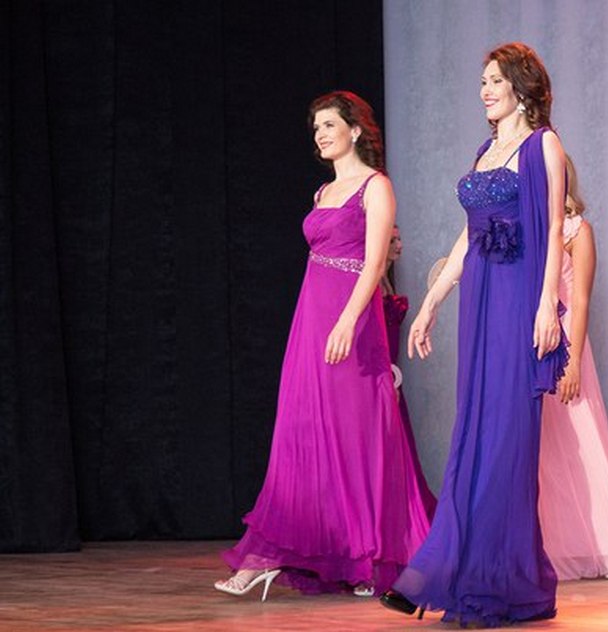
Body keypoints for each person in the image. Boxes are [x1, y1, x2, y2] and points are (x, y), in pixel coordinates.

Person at [380, 42, 568, 626]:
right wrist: (432, 302)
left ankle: (493, 582)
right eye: (482, 81)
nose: (484, 90)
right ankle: (453, 571)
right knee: (474, 438)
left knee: (507, 441)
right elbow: (469, 236)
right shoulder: (486, 151)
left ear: (521, 86)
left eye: (494, 80)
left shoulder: (544, 145)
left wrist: (547, 306)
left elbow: (554, 228)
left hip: (519, 302)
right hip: (482, 303)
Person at [214, 91, 430, 600]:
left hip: (352, 322)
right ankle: (267, 555)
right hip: (310, 319)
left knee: (357, 435)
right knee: (301, 433)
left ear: (355, 130)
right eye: (316, 128)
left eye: (330, 125)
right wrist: (326, 322)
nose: (321, 134)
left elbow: (375, 263)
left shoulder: (376, 186)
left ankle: (367, 558)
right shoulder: (322, 192)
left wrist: (348, 321)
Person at [536, 156, 608, 581]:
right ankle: (545, 545)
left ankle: (597, 543)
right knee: (541, 450)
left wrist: (571, 362)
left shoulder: (577, 229)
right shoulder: (528, 225)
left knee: (579, 441)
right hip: (528, 340)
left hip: (564, 341)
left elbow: (581, 299)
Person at [381, 225, 438, 519]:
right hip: (383, 379)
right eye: (393, 240)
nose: (400, 245)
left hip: (393, 377)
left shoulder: (385, 280)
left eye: (400, 239)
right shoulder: (370, 284)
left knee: (401, 449)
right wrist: (388, 379)